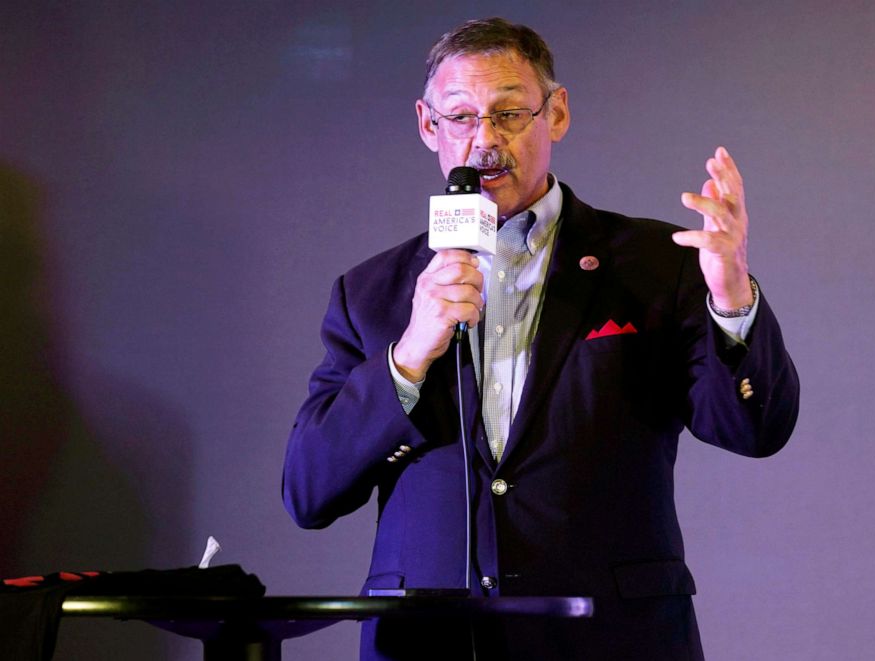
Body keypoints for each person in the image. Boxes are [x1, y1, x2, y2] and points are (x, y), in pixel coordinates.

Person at [282, 17, 799, 661]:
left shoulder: (658, 263)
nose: (484, 140)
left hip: (609, 638)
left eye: (509, 113)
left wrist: (731, 295)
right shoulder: (373, 293)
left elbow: (756, 428)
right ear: (427, 126)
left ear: (556, 114)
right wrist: (410, 355)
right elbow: (309, 492)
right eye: (461, 116)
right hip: (428, 644)